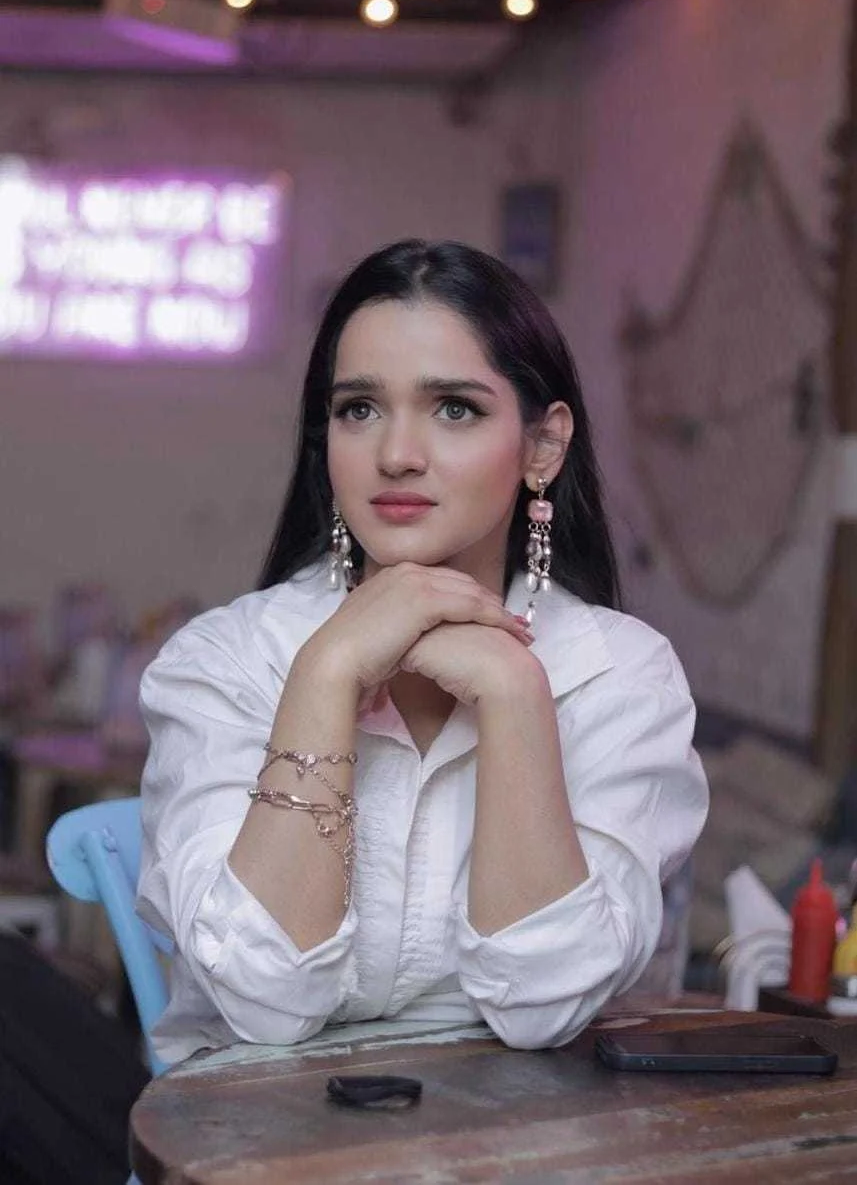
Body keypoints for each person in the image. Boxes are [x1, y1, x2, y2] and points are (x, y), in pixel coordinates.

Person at [137, 239, 708, 1066]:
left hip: (511, 1127)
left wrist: (513, 694)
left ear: (543, 446)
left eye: (454, 409)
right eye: (359, 409)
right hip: (254, 1125)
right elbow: (263, 1000)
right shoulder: (225, 660)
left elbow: (544, 1005)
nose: (396, 454)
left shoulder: (619, 674)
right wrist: (326, 676)